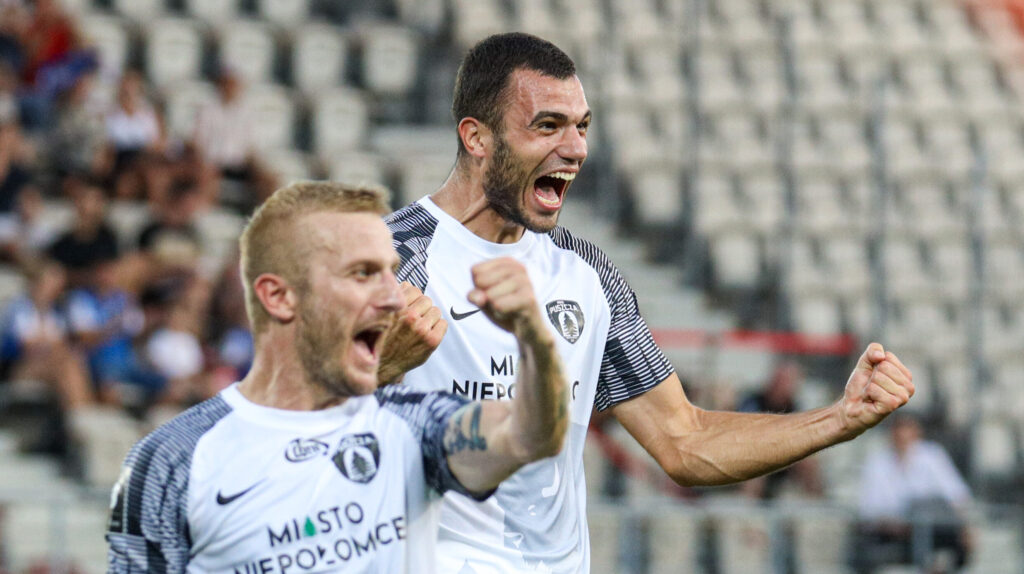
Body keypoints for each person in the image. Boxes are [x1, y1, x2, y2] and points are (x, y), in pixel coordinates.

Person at [381, 32, 915, 573]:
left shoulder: (587, 273)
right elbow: (298, 426)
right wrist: (379, 366)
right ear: (477, 137)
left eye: (582, 127)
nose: (576, 149)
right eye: (548, 125)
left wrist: (840, 419)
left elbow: (683, 440)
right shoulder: (389, 259)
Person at [106, 181, 570, 572]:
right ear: (280, 297)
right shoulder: (171, 462)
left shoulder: (413, 426)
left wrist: (533, 336)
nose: (394, 297)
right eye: (363, 273)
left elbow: (532, 436)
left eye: (391, 271)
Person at [854, 413, 973, 573]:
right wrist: (903, 525)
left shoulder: (933, 456)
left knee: (951, 543)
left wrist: (964, 527)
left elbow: (957, 496)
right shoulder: (877, 462)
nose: (903, 437)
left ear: (917, 433)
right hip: (893, 536)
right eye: (899, 430)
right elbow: (869, 512)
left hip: (931, 533)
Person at [737, 361, 825, 500]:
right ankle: (748, 513)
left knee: (808, 460)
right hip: (752, 455)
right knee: (757, 463)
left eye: (790, 382)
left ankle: (816, 507)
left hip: (782, 457)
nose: (787, 386)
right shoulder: (754, 401)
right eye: (783, 381)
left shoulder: (795, 407)